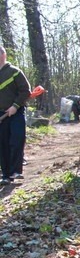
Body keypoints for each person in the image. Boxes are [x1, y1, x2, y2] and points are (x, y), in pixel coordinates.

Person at [0, 46, 31, 185]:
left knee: (17, 140)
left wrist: (15, 106)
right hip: (1, 115)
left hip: (16, 112)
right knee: (3, 144)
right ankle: (6, 175)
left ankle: (16, 171)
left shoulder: (14, 72)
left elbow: (26, 91)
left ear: (3, 55)